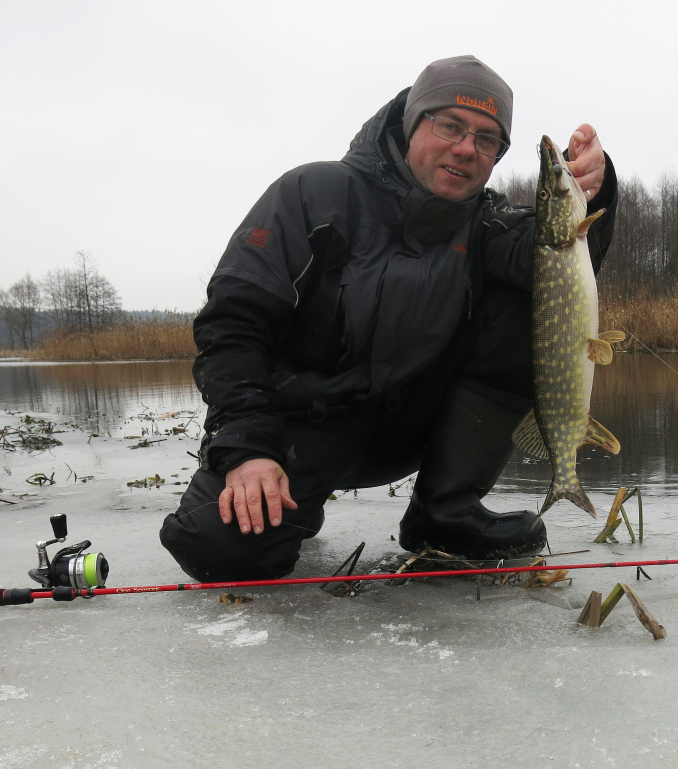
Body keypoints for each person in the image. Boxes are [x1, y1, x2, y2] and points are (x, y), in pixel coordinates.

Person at [160, 55, 617, 582]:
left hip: (415, 426)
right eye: (450, 125)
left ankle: (445, 514)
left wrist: (592, 191)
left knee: (531, 292)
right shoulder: (310, 195)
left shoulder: (489, 226)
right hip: (301, 429)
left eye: (487, 139)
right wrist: (244, 447)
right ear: (411, 122)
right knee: (219, 551)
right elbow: (232, 327)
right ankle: (293, 500)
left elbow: (562, 262)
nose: (466, 148)